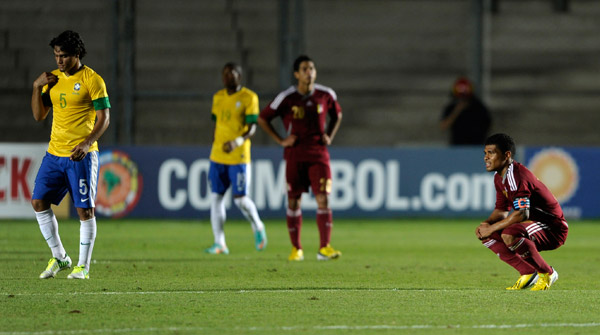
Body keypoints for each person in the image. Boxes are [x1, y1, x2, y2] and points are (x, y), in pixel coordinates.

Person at [31, 30, 110, 279]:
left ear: (77, 54)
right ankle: (61, 257)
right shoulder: (51, 79)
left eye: (64, 55)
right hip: (54, 154)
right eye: (56, 55)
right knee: (38, 202)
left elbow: (104, 117)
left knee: (84, 211)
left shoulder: (92, 79)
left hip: (81, 156)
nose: (59, 60)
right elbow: (39, 115)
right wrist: (36, 87)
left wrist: (87, 144)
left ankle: (83, 268)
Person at [258, 55, 342, 261]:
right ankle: (296, 248)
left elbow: (337, 115)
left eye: (311, 68)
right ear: (296, 74)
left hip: (319, 154)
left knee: (324, 198)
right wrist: (281, 140)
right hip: (295, 154)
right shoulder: (287, 97)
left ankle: (325, 248)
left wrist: (329, 134)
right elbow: (263, 118)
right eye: (304, 69)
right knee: (294, 201)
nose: (309, 72)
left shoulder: (326, 94)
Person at [476, 133, 569, 290]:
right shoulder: (499, 178)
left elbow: (521, 213)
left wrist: (492, 227)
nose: (486, 157)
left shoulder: (517, 176)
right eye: (485, 153)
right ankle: (527, 273)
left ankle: (547, 273)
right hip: (535, 223)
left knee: (509, 233)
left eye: (491, 153)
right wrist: (486, 225)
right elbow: (501, 210)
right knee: (488, 234)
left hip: (553, 227)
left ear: (507, 155)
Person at [205, 62, 267, 255]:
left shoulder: (249, 97)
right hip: (217, 155)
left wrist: (236, 142)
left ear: (239, 76)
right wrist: (217, 142)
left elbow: (252, 128)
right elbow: (217, 124)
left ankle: (258, 226)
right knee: (216, 198)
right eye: (224, 74)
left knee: (240, 200)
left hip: (239, 156)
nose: (227, 78)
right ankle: (220, 243)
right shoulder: (218, 97)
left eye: (231, 74)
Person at [440, 77, 491, 145]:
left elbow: (487, 125)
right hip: (457, 146)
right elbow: (443, 126)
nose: (462, 99)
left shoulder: (479, 107)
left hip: (477, 146)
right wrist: (457, 111)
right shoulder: (451, 107)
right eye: (460, 96)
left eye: (464, 96)